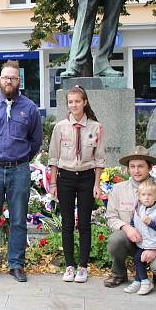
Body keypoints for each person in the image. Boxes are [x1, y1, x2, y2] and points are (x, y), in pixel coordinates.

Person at [0, 60, 43, 283]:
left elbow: (36, 141)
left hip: (19, 170)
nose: (9, 81)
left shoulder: (29, 108)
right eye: (5, 78)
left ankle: (16, 264)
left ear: (19, 80)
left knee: (19, 220)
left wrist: (19, 158)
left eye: (13, 78)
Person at [47, 85, 105, 283]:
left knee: (85, 223)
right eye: (70, 102)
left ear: (85, 103)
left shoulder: (96, 127)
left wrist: (97, 184)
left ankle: (83, 265)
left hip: (87, 178)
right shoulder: (60, 127)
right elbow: (53, 158)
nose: (74, 105)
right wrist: (53, 184)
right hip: (66, 178)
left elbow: (99, 159)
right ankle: (69, 265)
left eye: (77, 101)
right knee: (67, 223)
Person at [104, 146, 156, 288]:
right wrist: (126, 228)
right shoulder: (118, 189)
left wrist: (155, 248)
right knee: (115, 240)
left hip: (155, 241)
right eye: (132, 166)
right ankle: (118, 274)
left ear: (150, 168)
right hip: (131, 239)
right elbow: (111, 217)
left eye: (140, 166)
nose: (136, 170)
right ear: (127, 169)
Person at [124, 180, 156, 295]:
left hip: (152, 244)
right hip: (142, 242)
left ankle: (144, 281)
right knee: (139, 259)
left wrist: (150, 223)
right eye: (143, 195)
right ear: (139, 197)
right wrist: (133, 229)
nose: (146, 198)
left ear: (155, 197)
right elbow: (133, 222)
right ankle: (138, 281)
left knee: (138, 259)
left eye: (150, 195)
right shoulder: (139, 209)